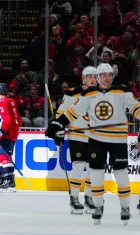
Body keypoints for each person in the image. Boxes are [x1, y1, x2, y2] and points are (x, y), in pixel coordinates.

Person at [45, 63, 138, 225]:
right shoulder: (82, 94)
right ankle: (86, 202)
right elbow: (69, 113)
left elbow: (134, 107)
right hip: (87, 138)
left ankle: (111, 204)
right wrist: (57, 125)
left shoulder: (120, 92)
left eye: (108, 75)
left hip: (107, 138)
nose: (104, 78)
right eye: (100, 75)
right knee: (88, 170)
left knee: (109, 172)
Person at [55, 66, 97, 214]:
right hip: (77, 136)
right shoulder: (72, 94)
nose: (92, 79)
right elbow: (61, 114)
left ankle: (89, 199)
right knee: (78, 167)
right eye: (89, 76)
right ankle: (74, 199)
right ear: (83, 78)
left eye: (94, 76)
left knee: (93, 169)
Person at [0, 83, 22, 192]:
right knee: (1, 156)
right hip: (12, 133)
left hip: (6, 133)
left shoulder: (0, 102)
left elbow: (6, 119)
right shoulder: (12, 101)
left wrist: (0, 131)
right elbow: (19, 118)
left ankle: (8, 182)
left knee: (3, 157)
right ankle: (7, 180)